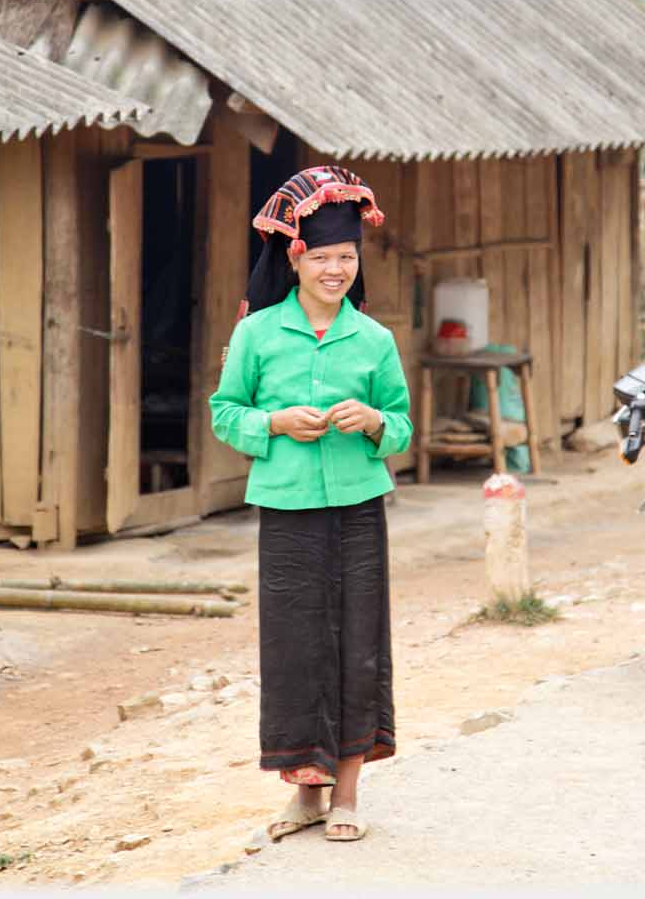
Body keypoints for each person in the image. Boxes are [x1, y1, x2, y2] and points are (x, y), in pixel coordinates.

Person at [208, 166, 413, 845]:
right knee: (295, 648)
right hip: (286, 509)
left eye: (346, 257)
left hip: (359, 509)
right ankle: (305, 794)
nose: (336, 269)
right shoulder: (257, 335)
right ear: (295, 257)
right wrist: (271, 425)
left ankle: (348, 793)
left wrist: (376, 424)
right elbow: (224, 412)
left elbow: (404, 424)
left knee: (357, 643)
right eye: (322, 257)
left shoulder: (375, 341)